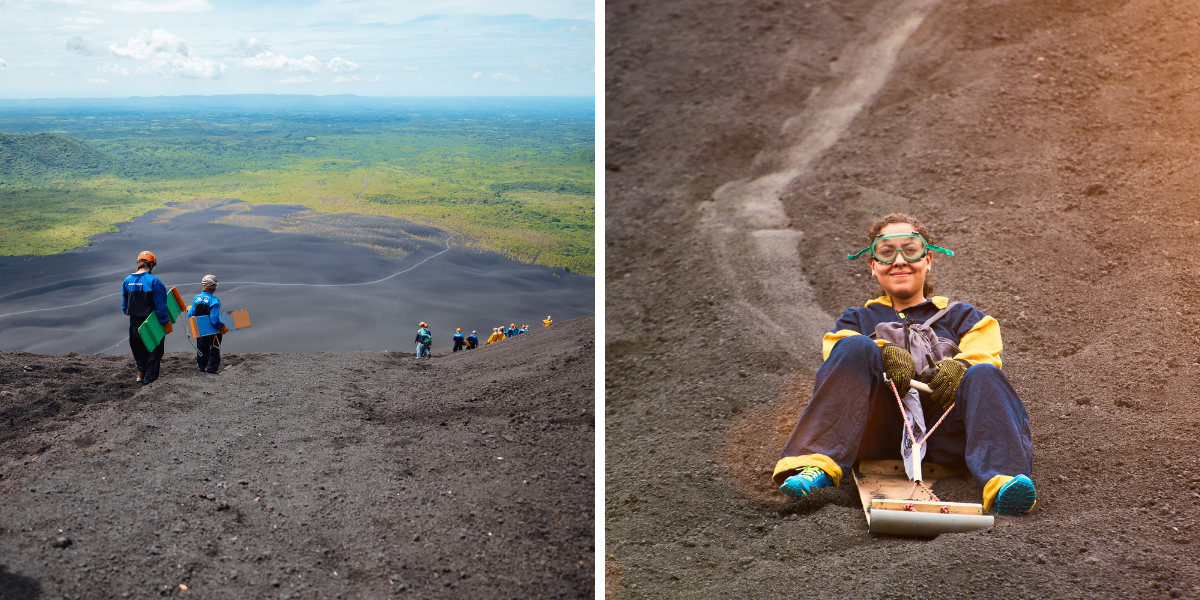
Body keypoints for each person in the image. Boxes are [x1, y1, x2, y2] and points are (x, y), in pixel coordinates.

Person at [772, 214, 1036, 517]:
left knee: (985, 373)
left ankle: (1003, 481)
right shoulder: (856, 320)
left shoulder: (965, 317)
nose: (899, 261)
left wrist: (959, 365)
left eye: (910, 250)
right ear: (873, 266)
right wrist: (882, 351)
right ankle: (813, 466)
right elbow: (837, 352)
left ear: (928, 259)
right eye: (886, 253)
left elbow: (985, 353)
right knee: (854, 346)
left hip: (947, 437)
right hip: (878, 435)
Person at [121, 250, 171, 385]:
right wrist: (165, 322)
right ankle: (150, 380)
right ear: (152, 264)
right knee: (155, 351)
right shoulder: (154, 281)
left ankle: (140, 374)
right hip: (151, 321)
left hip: (133, 322)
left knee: (138, 349)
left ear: (138, 263)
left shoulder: (127, 281)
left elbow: (124, 306)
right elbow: (161, 307)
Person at [187, 274, 228, 373]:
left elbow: (190, 314)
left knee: (202, 346)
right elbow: (214, 320)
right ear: (213, 286)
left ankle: (201, 366)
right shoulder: (214, 300)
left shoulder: (196, 298)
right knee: (215, 346)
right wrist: (221, 326)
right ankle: (211, 368)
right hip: (212, 330)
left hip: (200, 328)